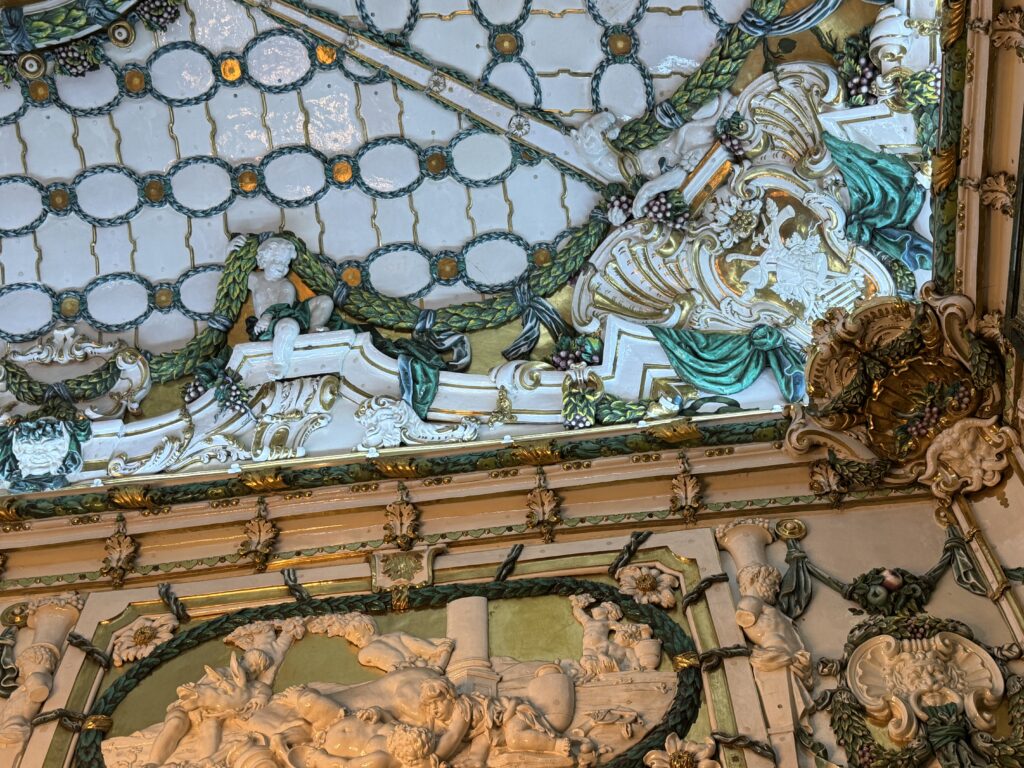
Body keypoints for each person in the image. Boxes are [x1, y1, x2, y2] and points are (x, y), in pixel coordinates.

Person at [244, 237, 334, 379]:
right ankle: (280, 364)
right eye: (277, 261)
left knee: (325, 301)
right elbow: (232, 274)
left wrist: (267, 316)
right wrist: (229, 251)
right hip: (267, 327)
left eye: (286, 263)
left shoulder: (285, 285)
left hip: (284, 316)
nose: (282, 267)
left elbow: (283, 307)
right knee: (287, 326)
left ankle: (313, 328)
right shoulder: (254, 279)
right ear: (264, 260)